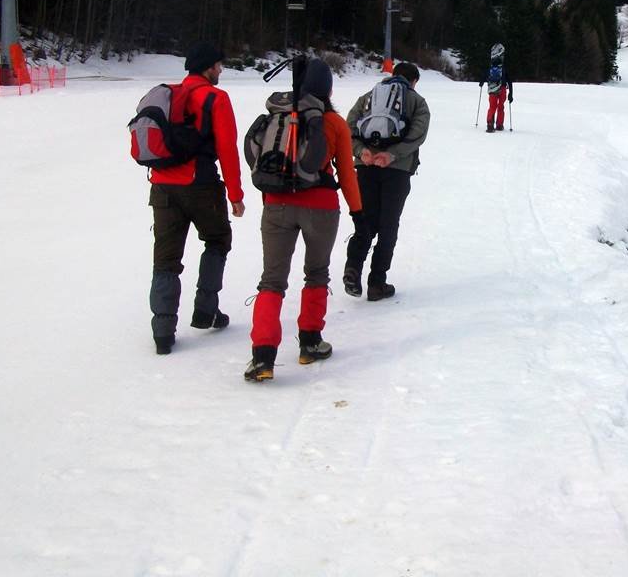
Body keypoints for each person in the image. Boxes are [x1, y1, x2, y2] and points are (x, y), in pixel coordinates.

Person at [245, 57, 363, 382]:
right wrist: (357, 210)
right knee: (317, 273)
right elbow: (347, 173)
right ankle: (310, 343)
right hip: (321, 207)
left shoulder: (279, 116)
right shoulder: (334, 122)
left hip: (277, 204)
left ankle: (262, 357)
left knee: (271, 280)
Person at [148, 42, 245, 355]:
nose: (220, 71)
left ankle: (162, 332)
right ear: (208, 68)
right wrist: (236, 194)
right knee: (217, 240)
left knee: (165, 258)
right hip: (201, 186)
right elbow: (227, 149)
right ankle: (206, 310)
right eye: (218, 65)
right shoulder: (216, 98)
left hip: (161, 186)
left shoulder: (167, 94)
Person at [343, 62, 430, 302]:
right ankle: (377, 283)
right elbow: (417, 135)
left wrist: (362, 151)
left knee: (366, 220)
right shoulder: (417, 102)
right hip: (397, 170)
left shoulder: (368, 96)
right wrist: (391, 155)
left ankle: (353, 267)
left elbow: (348, 128)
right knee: (388, 224)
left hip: (366, 166)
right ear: (414, 81)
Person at [479, 42, 513, 132]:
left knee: (492, 106)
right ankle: (499, 125)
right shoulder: (503, 67)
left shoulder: (490, 67)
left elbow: (484, 76)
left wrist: (481, 82)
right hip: (502, 88)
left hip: (492, 88)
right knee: (500, 107)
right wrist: (511, 94)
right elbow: (509, 80)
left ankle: (490, 124)